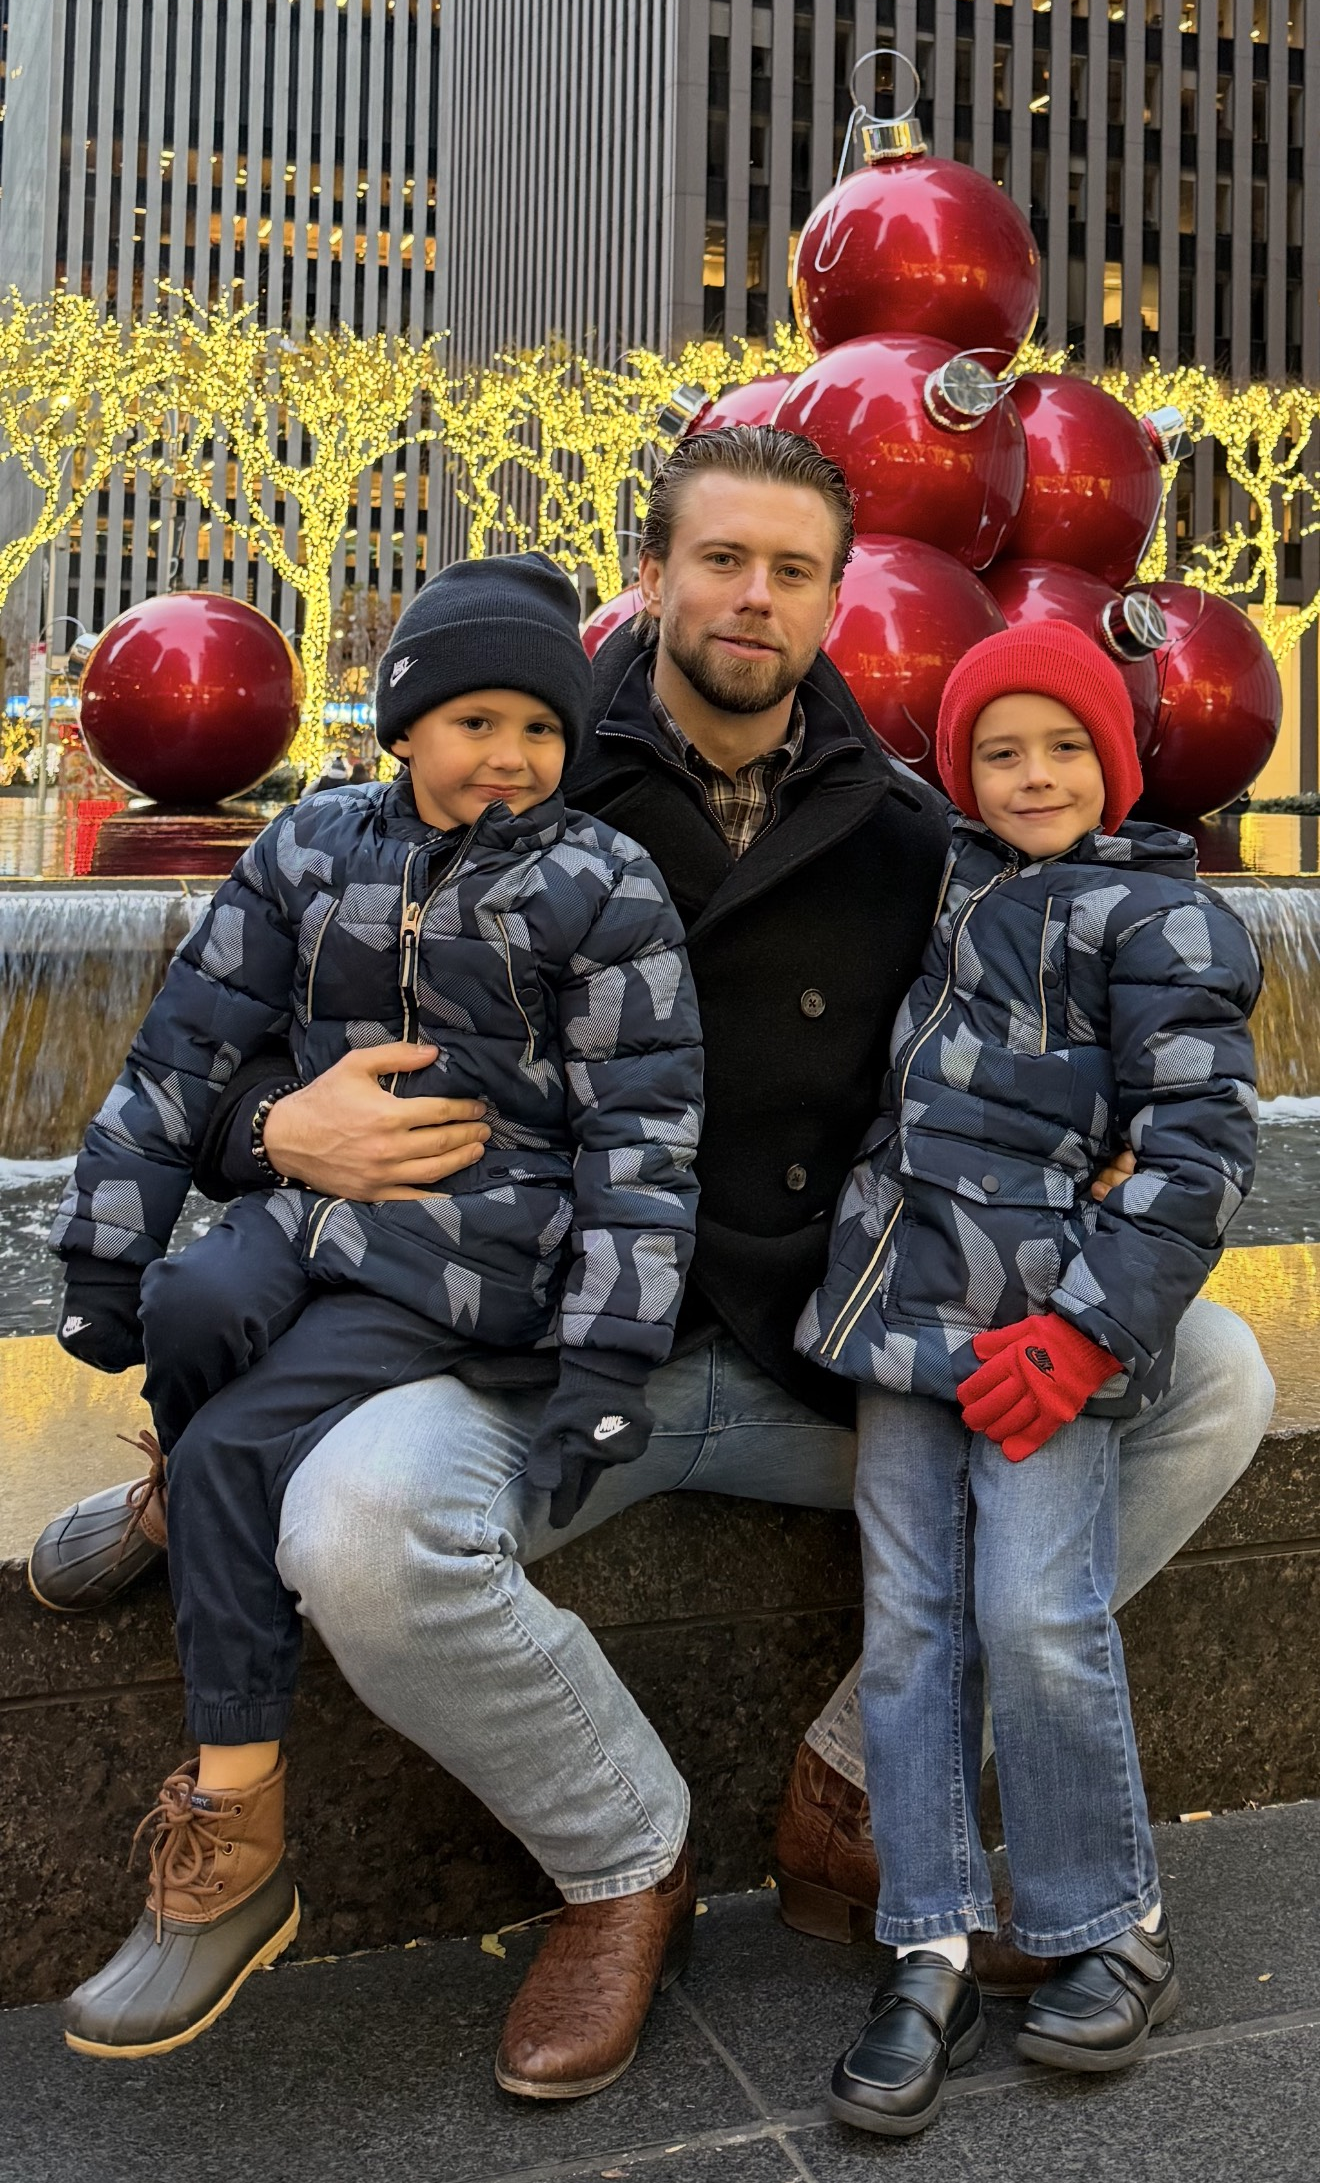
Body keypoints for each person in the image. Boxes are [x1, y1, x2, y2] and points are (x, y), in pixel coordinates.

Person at [30, 428, 1275, 2101]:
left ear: (842, 597)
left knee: (1215, 1375)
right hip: (531, 1336)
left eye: (794, 570)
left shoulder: (923, 832)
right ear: (655, 573)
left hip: (814, 1349)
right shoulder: (513, 764)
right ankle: (622, 1853)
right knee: (358, 1525)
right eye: (721, 560)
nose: (753, 599)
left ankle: (852, 1780)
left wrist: (1125, 1144)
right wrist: (278, 1129)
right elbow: (259, 1017)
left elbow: (1078, 1014)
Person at [43, 552, 704, 2059]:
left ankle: (237, 1832)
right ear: (401, 725)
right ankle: (172, 1505)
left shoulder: (599, 883)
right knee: (196, 1295)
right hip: (323, 1201)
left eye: (539, 728)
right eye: (473, 720)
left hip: (485, 1250)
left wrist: (609, 1350)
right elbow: (186, 1049)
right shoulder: (310, 849)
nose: (511, 757)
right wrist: (104, 1250)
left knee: (235, 1452)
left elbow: (645, 1135)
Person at [801, 622, 1263, 2137]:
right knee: (914, 1620)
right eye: (1000, 750)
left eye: (1064, 745)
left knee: (1037, 1613)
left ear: (1115, 763)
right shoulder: (944, 872)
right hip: (897, 1302)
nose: (1035, 773)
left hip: (1038, 1331)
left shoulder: (1165, 919)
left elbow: (1200, 1152)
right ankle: (927, 1939)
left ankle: (1107, 1919)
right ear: (963, 773)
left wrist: (1084, 1331)